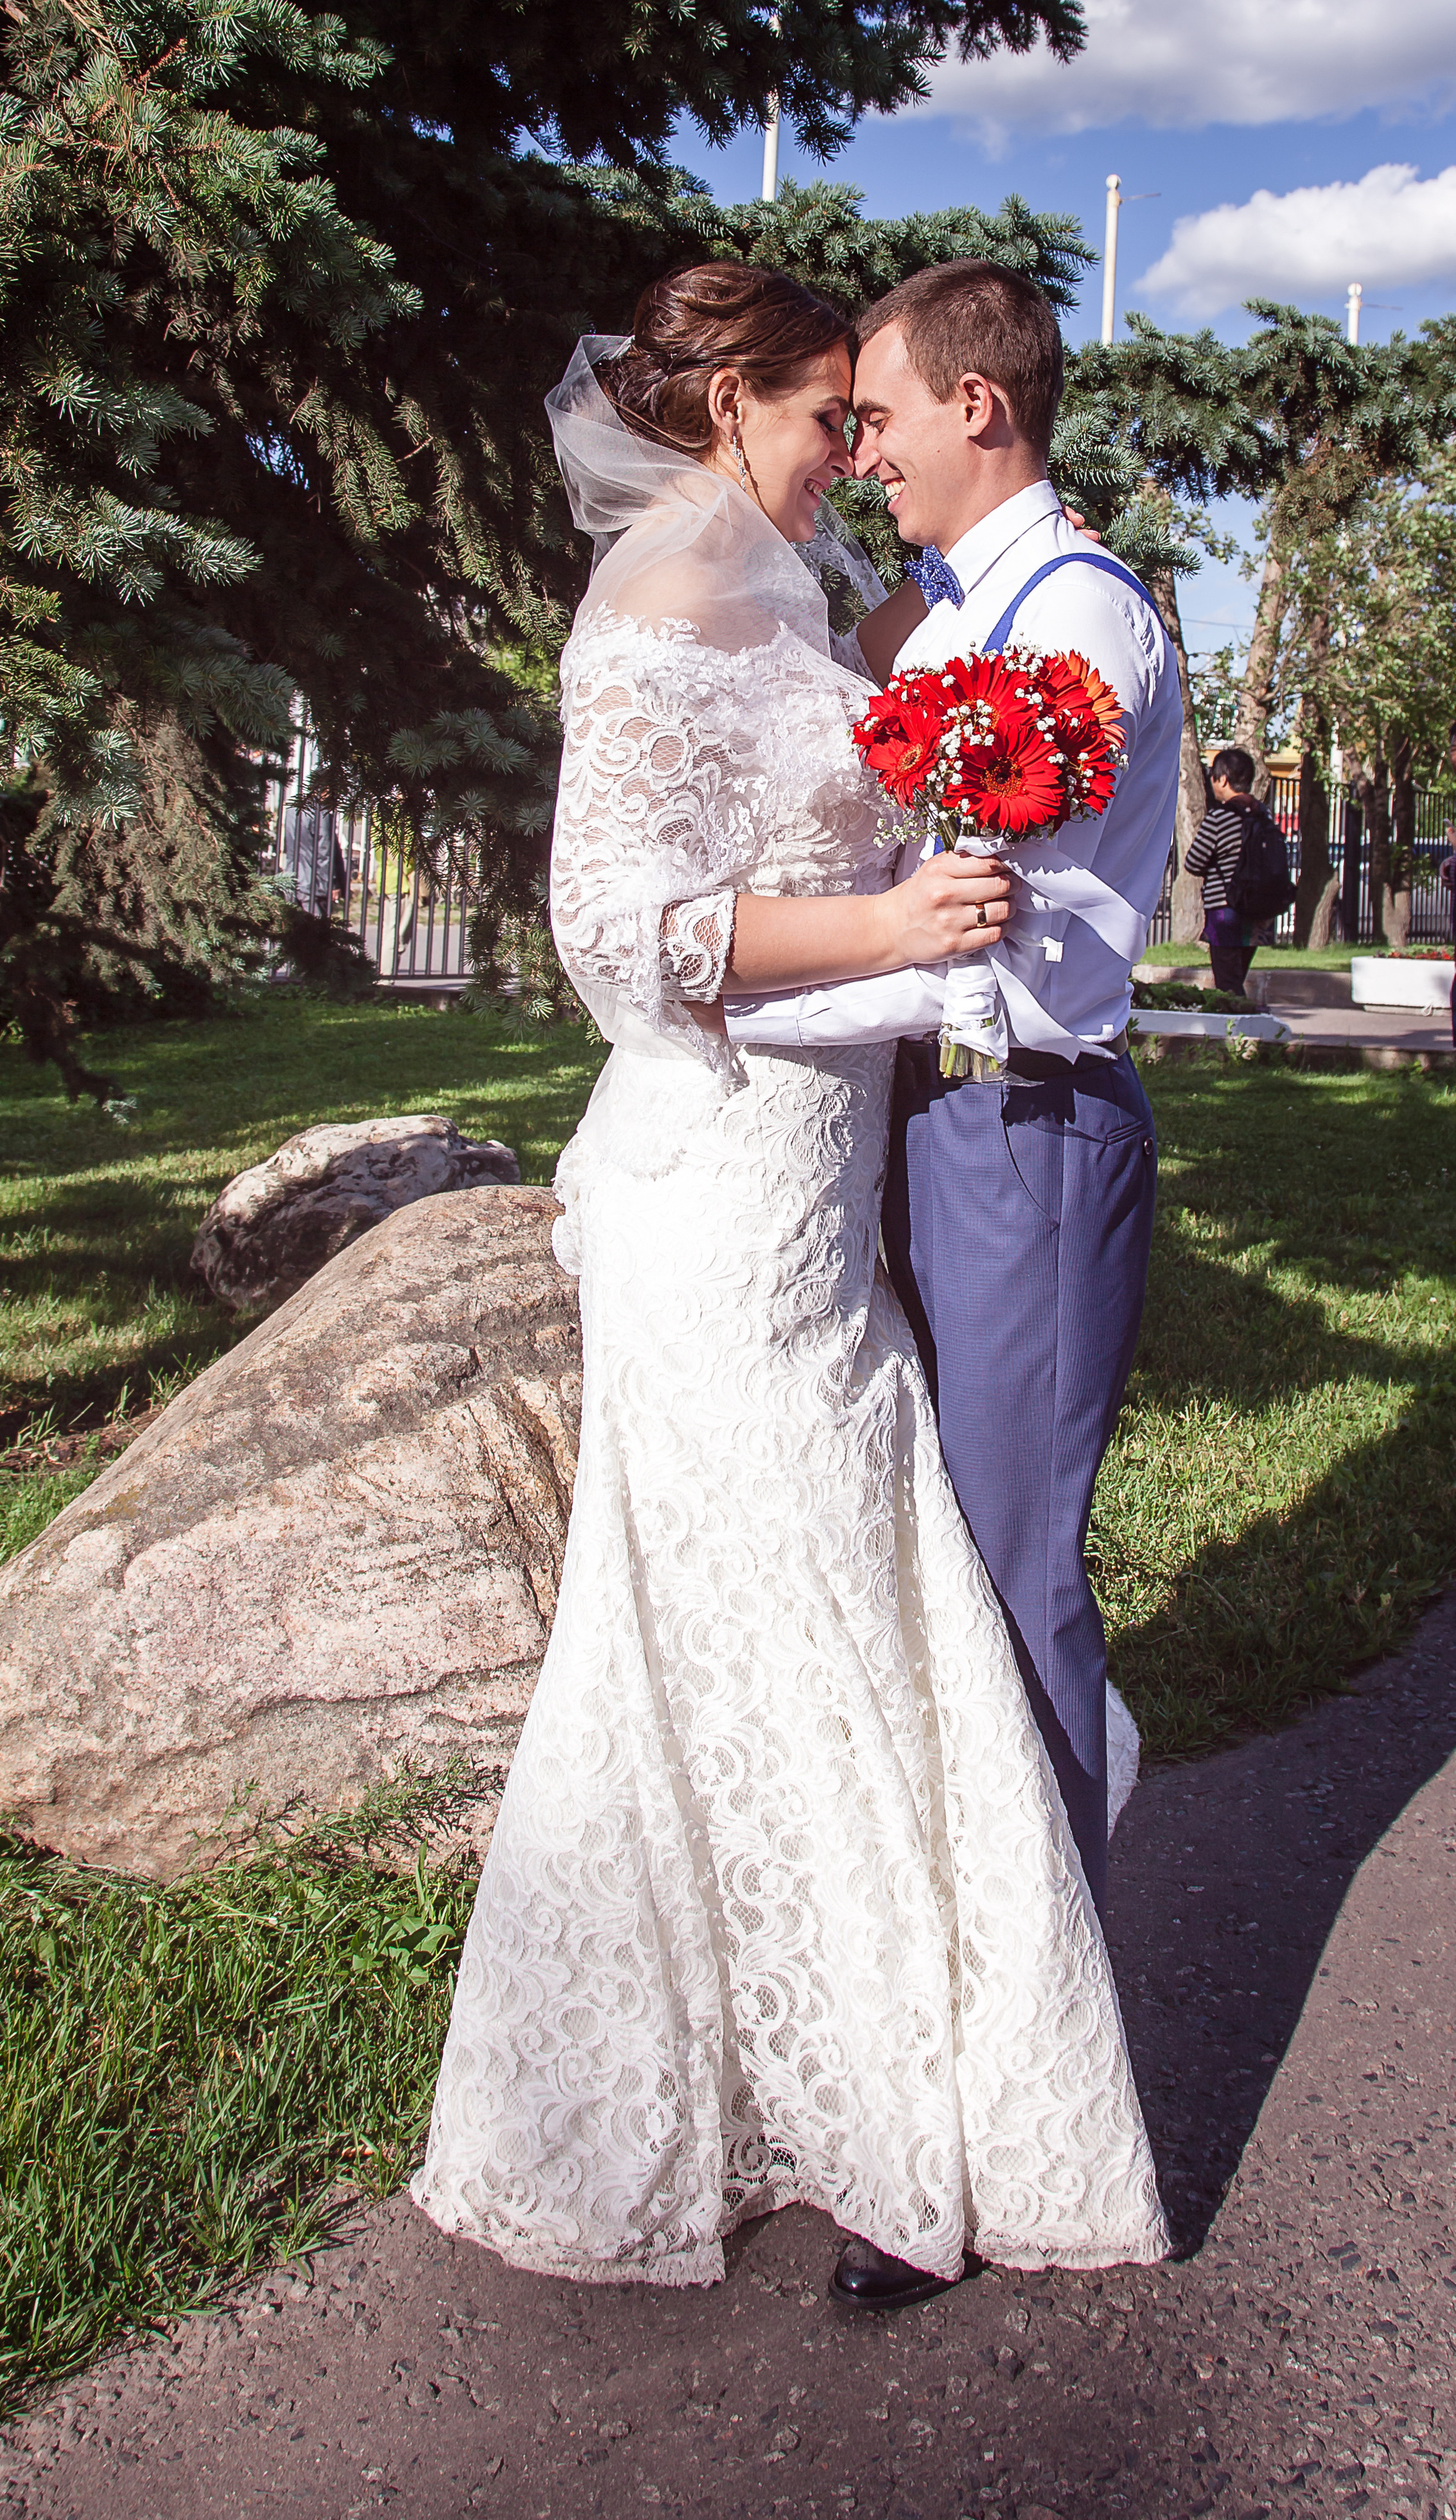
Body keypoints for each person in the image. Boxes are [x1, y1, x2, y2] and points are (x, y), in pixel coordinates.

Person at [412, 261, 1168, 2314]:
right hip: (719, 1184)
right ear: (732, 400)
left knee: (799, 1610)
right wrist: (893, 922)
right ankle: (866, 2094)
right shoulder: (658, 602)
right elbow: (612, 931)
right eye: (829, 414)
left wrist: (921, 913)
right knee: (789, 1623)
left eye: (872, 415)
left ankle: (850, 2057)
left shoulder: (812, 594)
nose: (855, 447)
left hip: (828, 1177)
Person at [725, 260, 1182, 1921]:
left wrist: (735, 991)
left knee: (1014, 1564)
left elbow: (982, 928)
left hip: (1027, 1127)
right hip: (933, 1117)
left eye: (886, 417)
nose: (862, 454)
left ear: (977, 408)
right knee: (942, 1550)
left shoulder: (1077, 616)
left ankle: (1052, 1988)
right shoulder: (947, 609)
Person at [1184, 747, 1262, 994]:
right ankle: (1242, 1024)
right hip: (1259, 910)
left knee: (1227, 984)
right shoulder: (1263, 815)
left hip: (1225, 910)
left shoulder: (1221, 817)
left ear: (1223, 779)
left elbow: (1194, 861)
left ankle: (1238, 1028)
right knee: (1236, 976)